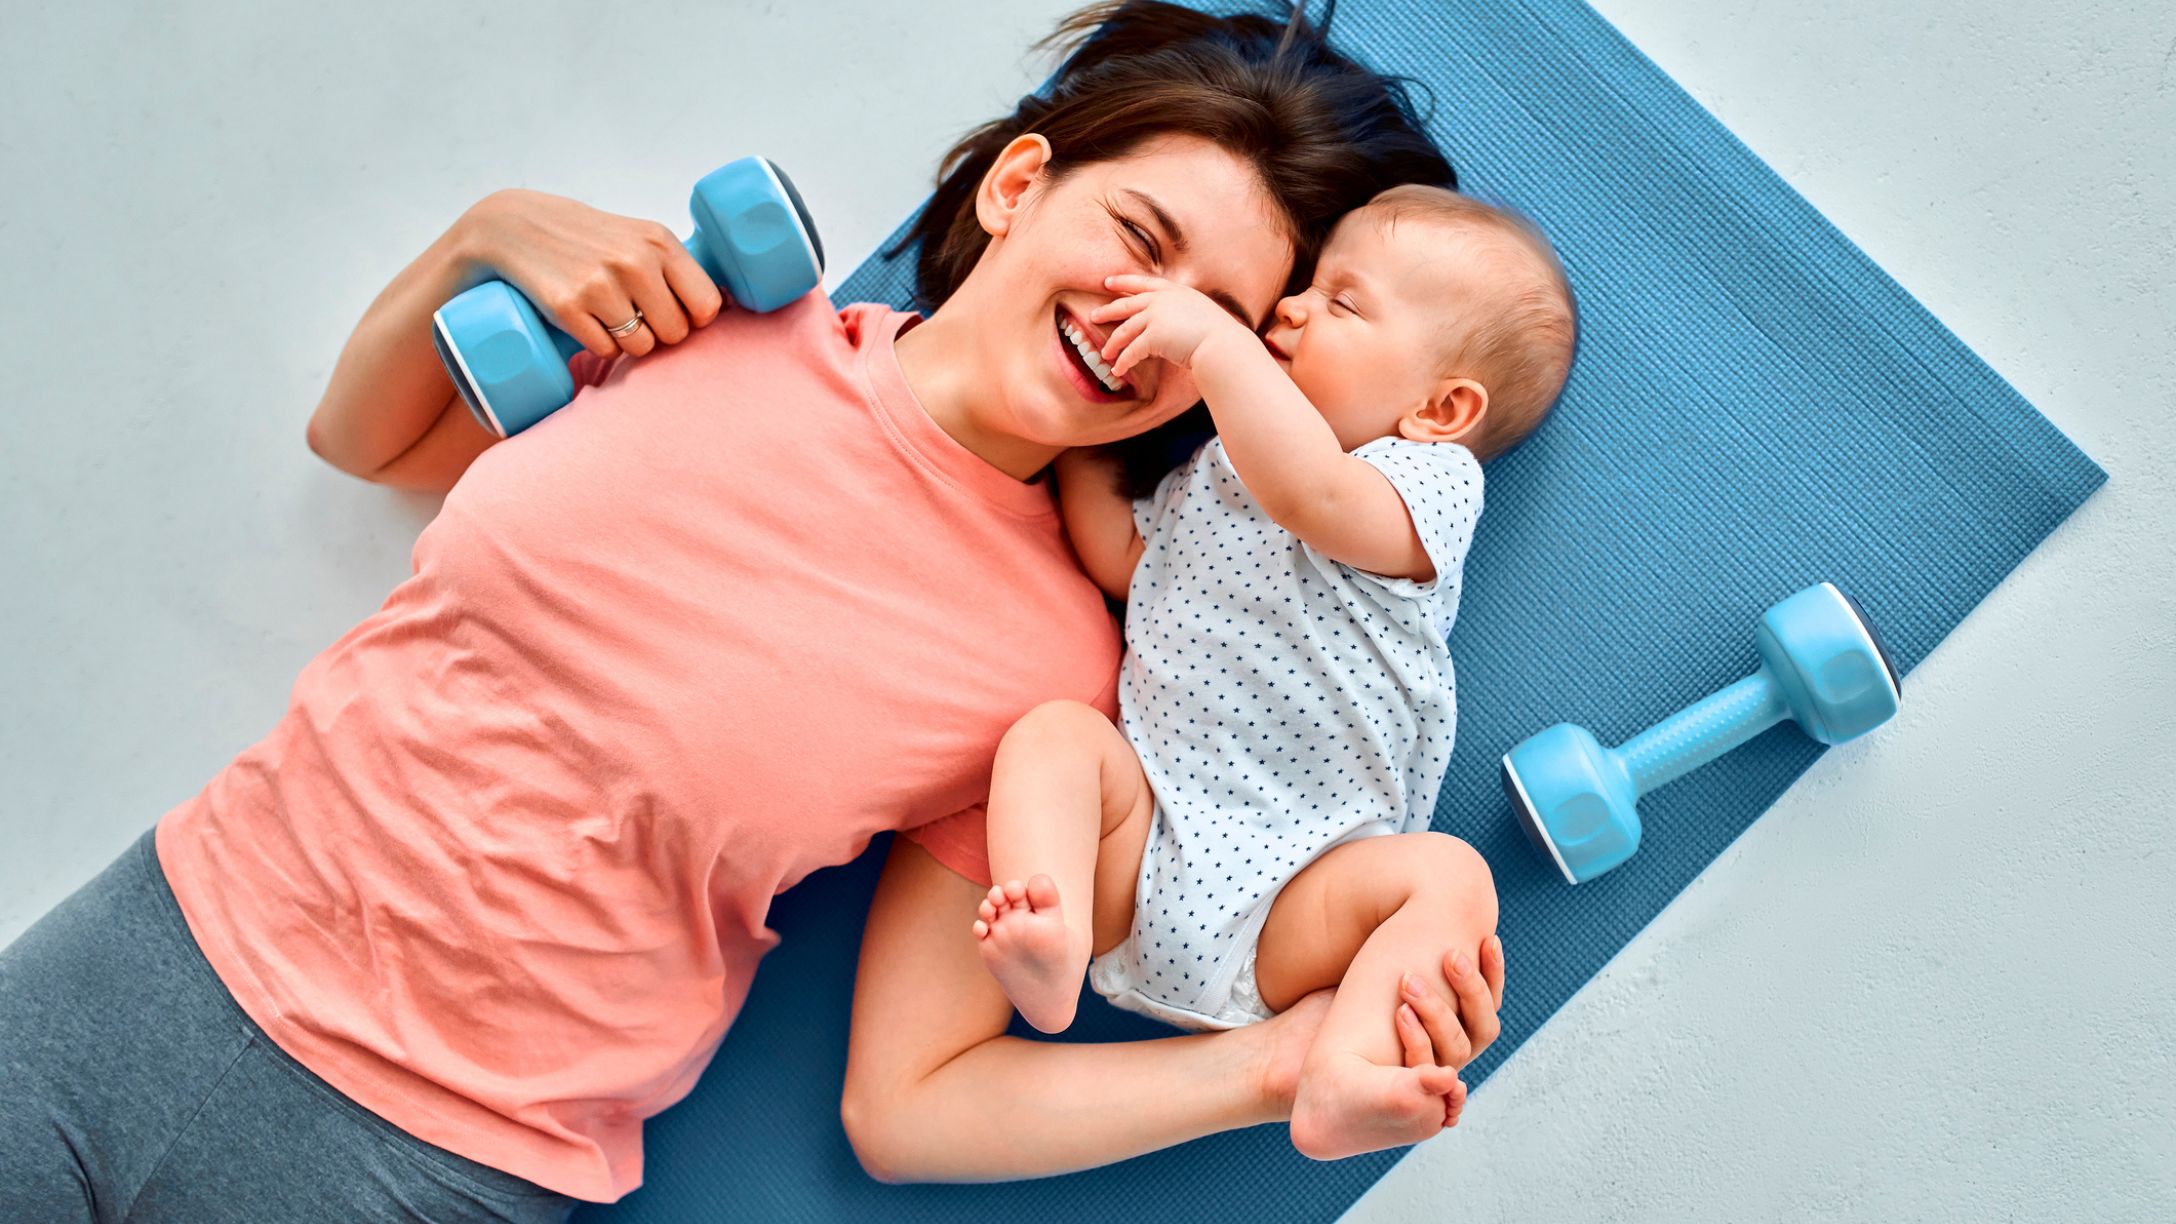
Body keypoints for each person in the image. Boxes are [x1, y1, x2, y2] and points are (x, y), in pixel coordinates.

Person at [0, 3, 1502, 1218]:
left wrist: (1275, 1064)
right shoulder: (716, 322)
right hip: (152, 949)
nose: (1150, 321)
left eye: (1230, 321)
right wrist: (484, 235)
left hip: (443, 1150)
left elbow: (913, 1109)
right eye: (1143, 237)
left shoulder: (1062, 666)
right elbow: (369, 445)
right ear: (1021, 185)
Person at [959, 184, 1576, 1164]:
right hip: (1147, 844)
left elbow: (1311, 491)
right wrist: (1080, 440)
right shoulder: (1213, 474)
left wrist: (1214, 346)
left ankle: (1344, 1073)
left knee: (1448, 875)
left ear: (1439, 407)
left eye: (1340, 301)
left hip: (1301, 891)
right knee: (1053, 739)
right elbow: (1128, 561)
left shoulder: (1421, 486)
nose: (1288, 308)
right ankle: (1052, 937)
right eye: (1304, 288)